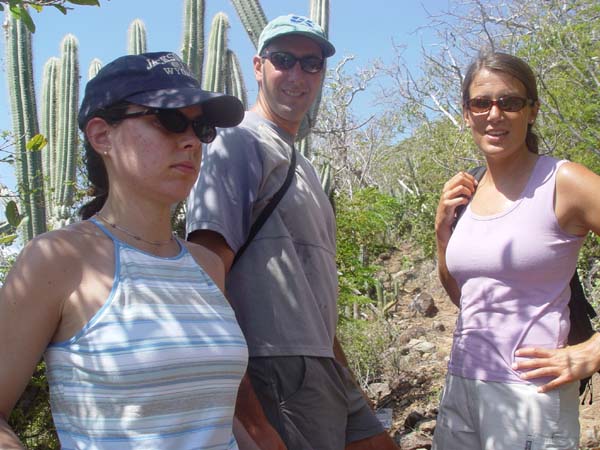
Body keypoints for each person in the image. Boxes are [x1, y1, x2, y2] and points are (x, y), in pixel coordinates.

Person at [0, 51, 254, 449]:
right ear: (102, 136)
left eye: (201, 127)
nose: (191, 141)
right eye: (169, 120)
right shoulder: (57, 259)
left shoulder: (206, 266)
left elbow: (214, 415)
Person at [186, 14, 399, 450]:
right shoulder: (238, 141)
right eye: (283, 60)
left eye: (311, 63)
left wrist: (343, 374)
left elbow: (311, 288)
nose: (297, 74)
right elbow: (203, 276)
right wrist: (252, 420)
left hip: (322, 360)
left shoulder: (302, 165)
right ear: (258, 67)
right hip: (276, 366)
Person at [433, 50, 600, 450]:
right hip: (461, 386)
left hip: (530, 395)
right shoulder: (467, 191)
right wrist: (442, 233)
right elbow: (465, 297)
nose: (495, 115)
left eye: (509, 102)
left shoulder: (564, 182)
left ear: (532, 111)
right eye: (481, 103)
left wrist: (592, 351)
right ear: (466, 114)